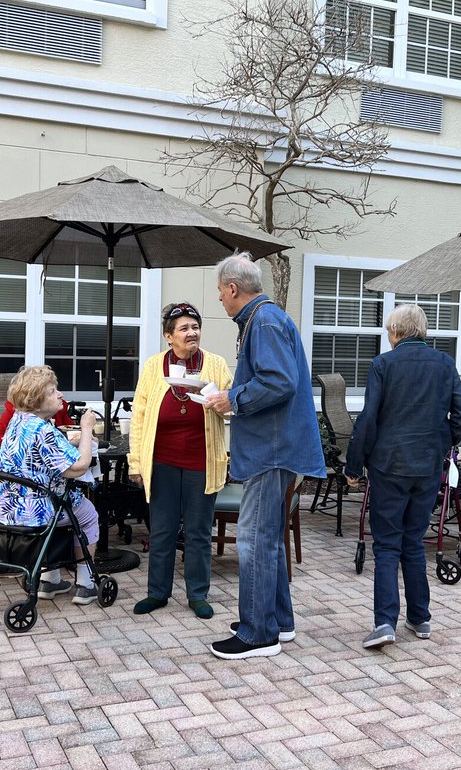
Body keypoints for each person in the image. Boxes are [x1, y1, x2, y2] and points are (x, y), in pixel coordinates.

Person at [204, 254, 325, 660]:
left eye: (221, 292)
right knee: (268, 538)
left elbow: (278, 381)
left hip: (270, 450)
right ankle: (278, 622)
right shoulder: (264, 318)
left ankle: (258, 633)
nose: (220, 300)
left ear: (234, 289)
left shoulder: (265, 321)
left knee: (254, 539)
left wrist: (231, 399)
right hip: (274, 447)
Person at [344, 305, 461, 649]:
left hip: (389, 464)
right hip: (428, 465)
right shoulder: (444, 364)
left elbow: (368, 418)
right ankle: (420, 617)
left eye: (389, 331)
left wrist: (354, 466)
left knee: (387, 544)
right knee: (413, 541)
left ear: (396, 332)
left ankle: (385, 621)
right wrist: (445, 439)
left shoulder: (383, 364)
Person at [128, 303, 233, 621]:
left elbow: (232, 406)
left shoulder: (214, 363)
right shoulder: (152, 366)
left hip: (202, 461)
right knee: (162, 530)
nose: (192, 333)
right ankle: (157, 593)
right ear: (168, 336)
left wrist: (219, 402)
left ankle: (197, 594)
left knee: (199, 531)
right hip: (162, 461)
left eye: (196, 327)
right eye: (184, 328)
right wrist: (135, 462)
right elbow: (140, 416)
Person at [0, 366, 101, 604]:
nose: (60, 395)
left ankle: (50, 580)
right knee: (87, 513)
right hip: (34, 510)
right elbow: (78, 467)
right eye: (53, 391)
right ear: (36, 401)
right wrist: (87, 428)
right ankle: (86, 583)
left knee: (60, 503)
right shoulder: (42, 431)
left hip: (5, 505)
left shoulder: (18, 421)